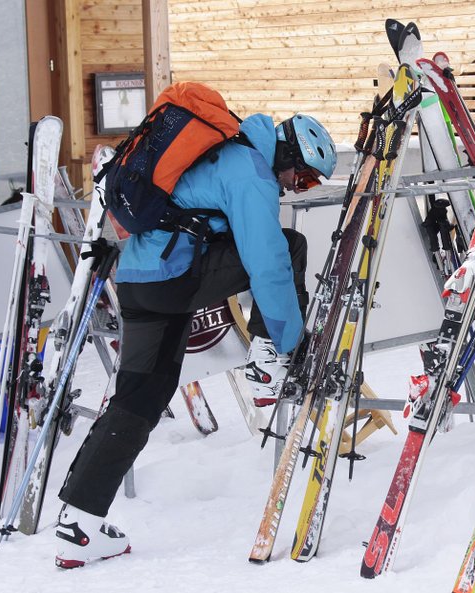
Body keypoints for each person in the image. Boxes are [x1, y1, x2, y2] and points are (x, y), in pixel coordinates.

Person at [54, 112, 337, 568]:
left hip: (141, 282)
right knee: (289, 247)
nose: (294, 185)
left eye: (305, 184)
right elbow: (267, 264)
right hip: (174, 277)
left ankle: (78, 524)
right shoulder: (250, 172)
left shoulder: (225, 153)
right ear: (285, 152)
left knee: (139, 398)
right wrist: (288, 342)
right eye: (300, 175)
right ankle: (267, 364)